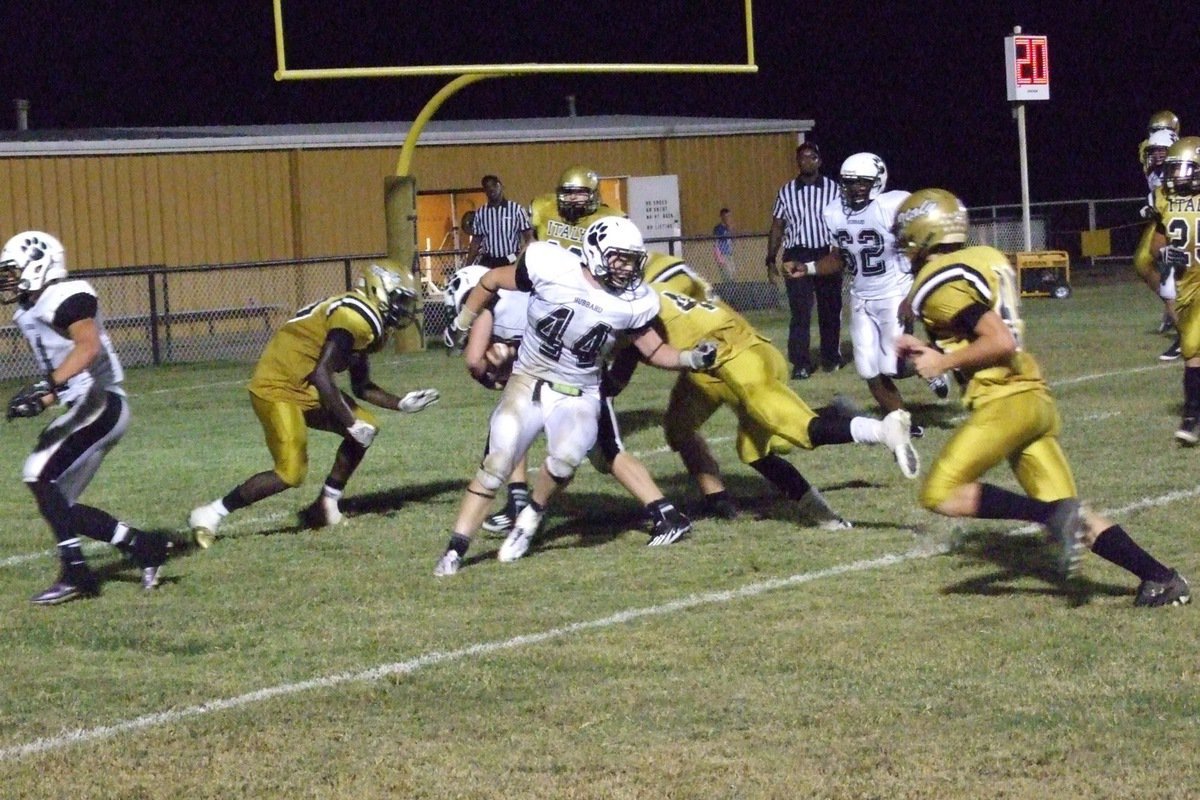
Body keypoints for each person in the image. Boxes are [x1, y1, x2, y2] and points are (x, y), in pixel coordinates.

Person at [894, 188, 1190, 606]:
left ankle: (1050, 517)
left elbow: (997, 341)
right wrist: (939, 353)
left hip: (1003, 405)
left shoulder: (937, 284)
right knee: (1069, 511)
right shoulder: (983, 257)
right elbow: (984, 335)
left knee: (940, 493)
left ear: (923, 231)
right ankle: (1161, 577)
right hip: (1031, 398)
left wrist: (941, 364)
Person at [434, 217, 718, 576]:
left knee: (565, 460)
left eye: (632, 260)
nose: (627, 268)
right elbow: (490, 280)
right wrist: (463, 320)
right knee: (495, 466)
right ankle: (455, 550)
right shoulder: (549, 266)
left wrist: (690, 358)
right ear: (597, 252)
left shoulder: (633, 303)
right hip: (530, 378)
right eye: (619, 258)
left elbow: (655, 350)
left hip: (580, 392)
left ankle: (532, 514)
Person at [606, 256, 920, 526]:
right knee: (713, 440)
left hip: (737, 355)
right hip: (710, 365)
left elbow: (631, 350)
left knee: (793, 430)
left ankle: (883, 430)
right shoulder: (648, 287)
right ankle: (819, 515)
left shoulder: (628, 299)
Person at [188, 264, 441, 545]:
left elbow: (361, 386)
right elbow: (323, 374)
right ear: (376, 290)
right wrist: (349, 422)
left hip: (307, 385)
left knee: (367, 426)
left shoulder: (370, 325)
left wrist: (400, 403)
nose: (404, 308)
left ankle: (326, 505)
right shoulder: (354, 315)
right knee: (290, 472)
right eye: (400, 299)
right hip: (278, 386)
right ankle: (210, 513)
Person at [0, 231, 171, 604]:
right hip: (89, 403)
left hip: (102, 401)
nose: (8, 280)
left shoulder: (64, 295)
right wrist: (42, 400)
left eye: (13, 271)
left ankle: (77, 574)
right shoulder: (31, 309)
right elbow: (66, 370)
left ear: (39, 262)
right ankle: (145, 546)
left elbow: (88, 347)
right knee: (58, 502)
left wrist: (48, 383)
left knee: (37, 472)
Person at [804, 152, 948, 433]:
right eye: (848, 183)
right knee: (868, 370)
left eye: (861, 182)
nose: (853, 188)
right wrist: (807, 268)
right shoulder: (834, 212)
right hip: (861, 295)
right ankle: (903, 424)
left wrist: (911, 296)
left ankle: (932, 356)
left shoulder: (891, 206)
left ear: (878, 180)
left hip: (894, 291)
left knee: (891, 364)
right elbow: (839, 258)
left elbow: (921, 250)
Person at [766, 142, 844, 379]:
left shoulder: (834, 189)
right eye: (802, 158)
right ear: (797, 162)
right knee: (800, 311)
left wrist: (843, 252)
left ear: (819, 160)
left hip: (826, 253)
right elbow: (777, 226)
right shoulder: (786, 191)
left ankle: (830, 357)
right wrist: (770, 259)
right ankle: (800, 362)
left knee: (830, 308)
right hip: (796, 254)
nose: (806, 162)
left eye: (811, 157)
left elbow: (844, 221)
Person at [1152, 136, 1200, 445]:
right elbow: (1158, 239)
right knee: (1192, 352)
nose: (1175, 176)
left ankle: (1192, 417)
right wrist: (1165, 253)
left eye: (1183, 168)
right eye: (1173, 169)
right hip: (1185, 281)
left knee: (1193, 345)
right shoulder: (1164, 197)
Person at [1132, 112, 1182, 360]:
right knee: (1157, 264)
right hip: (1166, 217)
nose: (1156, 153)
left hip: (1185, 218)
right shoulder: (1151, 156)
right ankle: (1175, 310)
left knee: (1176, 271)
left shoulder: (1185, 160)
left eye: (1161, 149)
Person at [464, 175, 534, 268]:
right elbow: (475, 243)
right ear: (485, 191)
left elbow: (529, 237)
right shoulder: (481, 213)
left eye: (494, 186)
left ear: (500, 186)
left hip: (511, 258)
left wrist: (521, 257)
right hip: (490, 260)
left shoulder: (516, 209)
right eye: (487, 188)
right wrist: (467, 267)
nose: (491, 190)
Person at [713, 207, 736, 279]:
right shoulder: (718, 228)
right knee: (726, 274)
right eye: (726, 216)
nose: (728, 218)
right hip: (722, 254)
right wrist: (719, 256)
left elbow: (733, 239)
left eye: (729, 216)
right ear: (722, 217)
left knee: (732, 273)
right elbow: (717, 242)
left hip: (729, 253)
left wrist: (730, 228)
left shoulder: (729, 227)